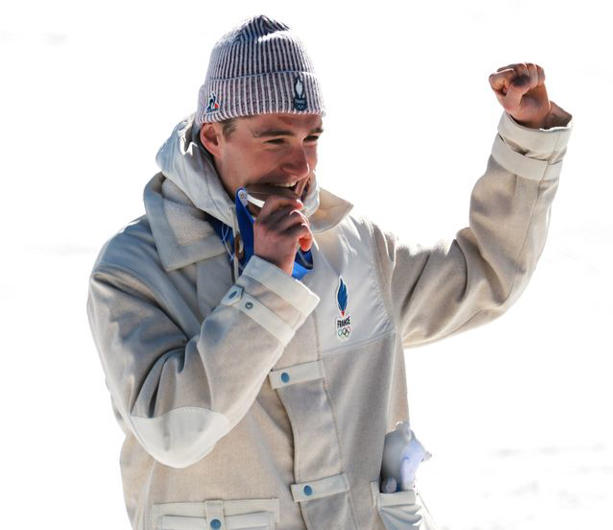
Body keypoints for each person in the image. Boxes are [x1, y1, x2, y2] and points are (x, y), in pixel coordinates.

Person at [86, 14, 573, 530]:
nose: (301, 166)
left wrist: (528, 139)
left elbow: (486, 275)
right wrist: (267, 284)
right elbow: (174, 433)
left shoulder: (352, 247)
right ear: (213, 135)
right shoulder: (136, 269)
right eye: (275, 140)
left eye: (311, 137)